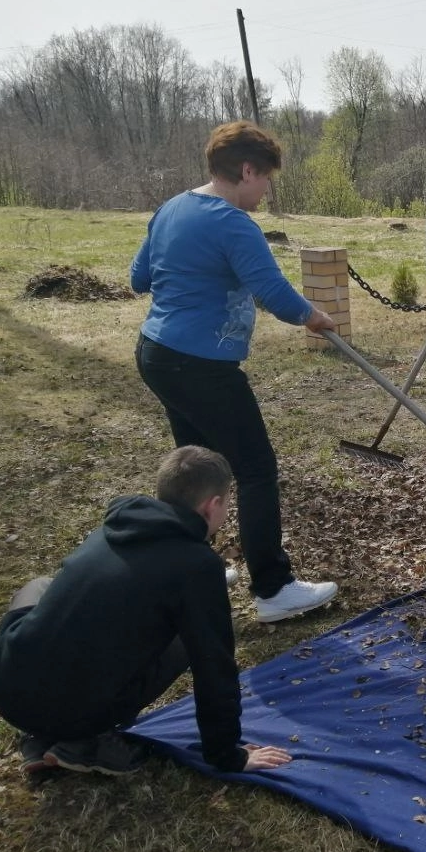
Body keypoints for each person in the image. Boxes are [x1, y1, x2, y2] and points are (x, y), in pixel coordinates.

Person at [0, 446, 295, 777]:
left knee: (40, 586)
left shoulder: (113, 527)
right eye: (227, 503)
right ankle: (86, 741)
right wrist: (227, 754)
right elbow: (214, 668)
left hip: (3, 683)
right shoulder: (197, 566)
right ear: (212, 505)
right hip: (70, 711)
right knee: (190, 640)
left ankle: (42, 735)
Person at [131, 120, 338, 624]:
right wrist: (315, 316)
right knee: (255, 469)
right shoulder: (232, 222)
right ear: (246, 170)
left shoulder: (171, 208)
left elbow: (140, 278)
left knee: (197, 469)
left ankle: (194, 566)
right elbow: (272, 291)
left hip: (156, 353)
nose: (266, 189)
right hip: (201, 365)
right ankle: (273, 588)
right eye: (265, 178)